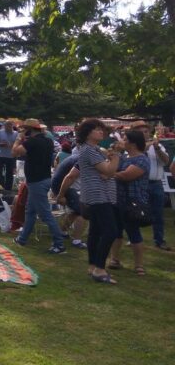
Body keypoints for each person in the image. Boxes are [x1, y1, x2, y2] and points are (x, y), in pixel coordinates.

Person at [75, 118, 121, 284]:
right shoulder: (90, 150)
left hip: (95, 194)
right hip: (99, 195)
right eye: (97, 129)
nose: (101, 132)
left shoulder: (90, 149)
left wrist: (107, 166)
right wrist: (116, 156)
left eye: (102, 129)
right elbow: (109, 171)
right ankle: (100, 269)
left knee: (95, 231)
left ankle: (93, 265)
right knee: (111, 231)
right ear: (87, 133)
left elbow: (104, 171)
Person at [12, 118, 65, 254]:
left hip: (36, 182)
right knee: (30, 211)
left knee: (45, 214)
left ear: (30, 129)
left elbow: (15, 152)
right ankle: (22, 239)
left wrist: (19, 138)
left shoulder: (31, 142)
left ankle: (59, 243)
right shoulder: (48, 140)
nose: (23, 131)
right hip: (44, 179)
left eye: (24, 129)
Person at [107, 129, 150, 276]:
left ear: (132, 143)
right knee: (116, 232)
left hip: (133, 202)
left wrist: (108, 173)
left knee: (133, 233)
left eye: (125, 140)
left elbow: (126, 176)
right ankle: (114, 259)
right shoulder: (124, 157)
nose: (122, 142)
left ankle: (139, 265)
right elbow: (112, 166)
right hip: (117, 200)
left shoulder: (142, 159)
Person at [130, 121, 171, 250]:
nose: (144, 134)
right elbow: (140, 154)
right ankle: (134, 239)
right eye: (141, 132)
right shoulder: (132, 147)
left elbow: (166, 161)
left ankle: (159, 240)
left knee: (158, 213)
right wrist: (147, 145)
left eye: (146, 131)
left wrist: (157, 148)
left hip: (156, 183)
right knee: (136, 213)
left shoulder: (158, 146)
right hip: (140, 184)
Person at [53, 155, 87, 249]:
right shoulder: (84, 158)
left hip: (59, 184)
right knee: (82, 212)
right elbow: (70, 177)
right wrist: (61, 195)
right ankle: (76, 240)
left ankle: (62, 232)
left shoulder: (79, 156)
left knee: (75, 211)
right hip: (62, 186)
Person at [0, 120, 18, 190]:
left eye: (10, 126)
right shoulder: (0, 132)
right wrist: (2, 144)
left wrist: (12, 145)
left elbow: (18, 144)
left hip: (11, 157)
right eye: (7, 126)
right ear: (4, 126)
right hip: (0, 156)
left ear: (12, 126)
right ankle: (0, 186)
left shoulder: (16, 133)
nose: (9, 128)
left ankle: (8, 189)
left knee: (9, 174)